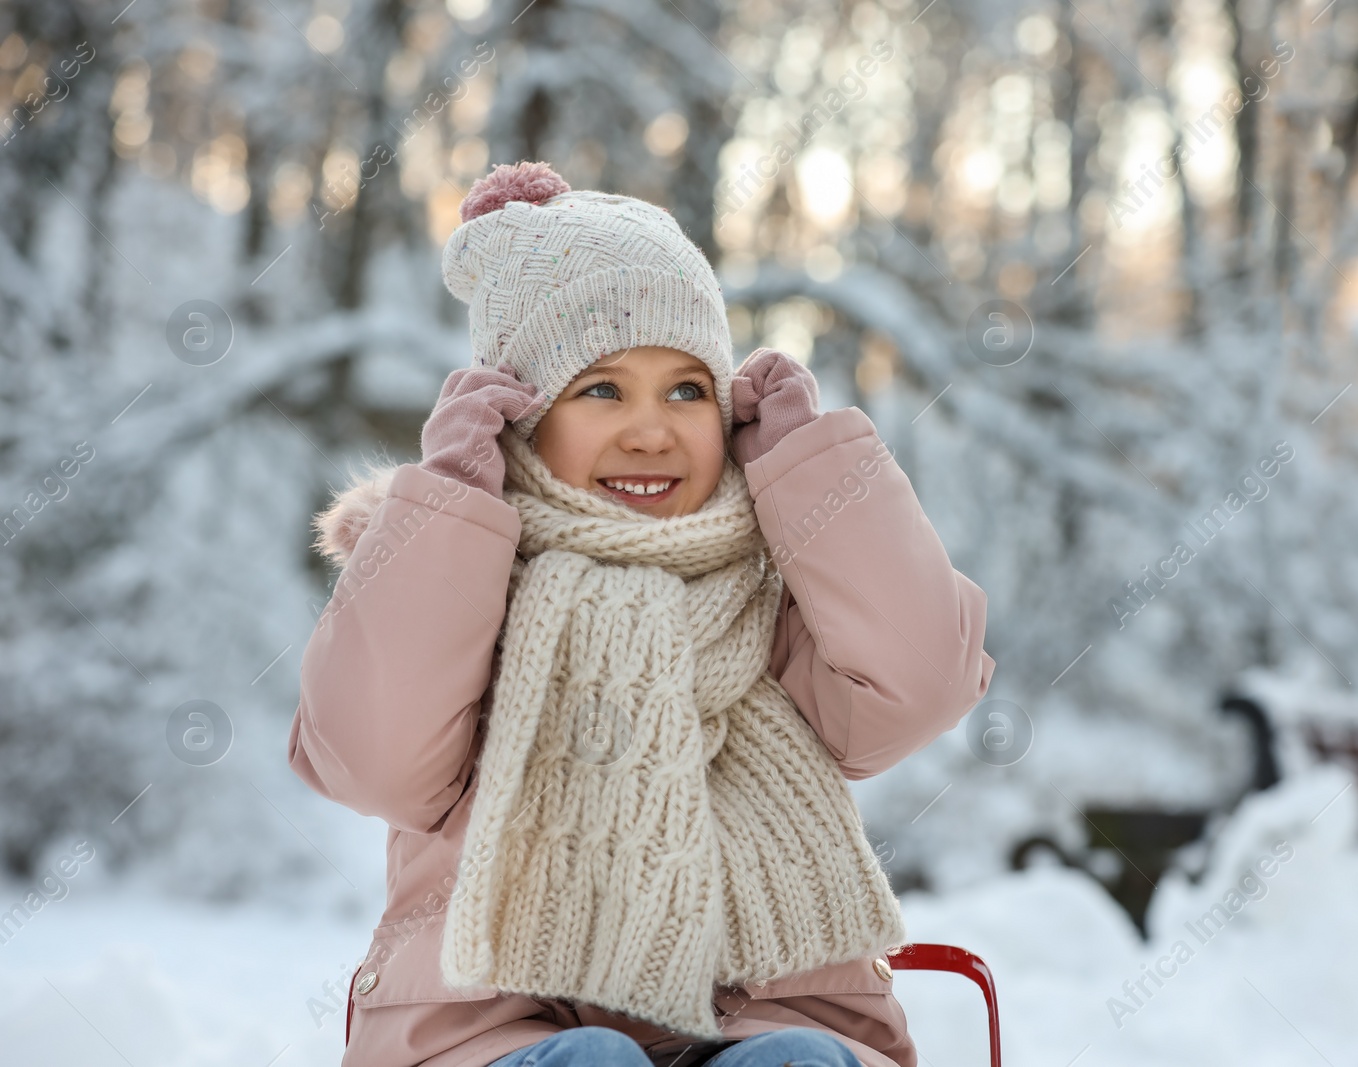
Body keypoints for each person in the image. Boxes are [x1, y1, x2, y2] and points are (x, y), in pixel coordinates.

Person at [289, 161, 995, 1067]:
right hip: (500, 1034)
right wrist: (447, 511)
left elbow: (923, 680)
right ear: (521, 417)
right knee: (590, 1063)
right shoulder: (459, 580)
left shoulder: (779, 592)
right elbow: (377, 759)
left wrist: (814, 477)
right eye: (601, 390)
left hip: (760, 1020)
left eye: (688, 389)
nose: (652, 430)